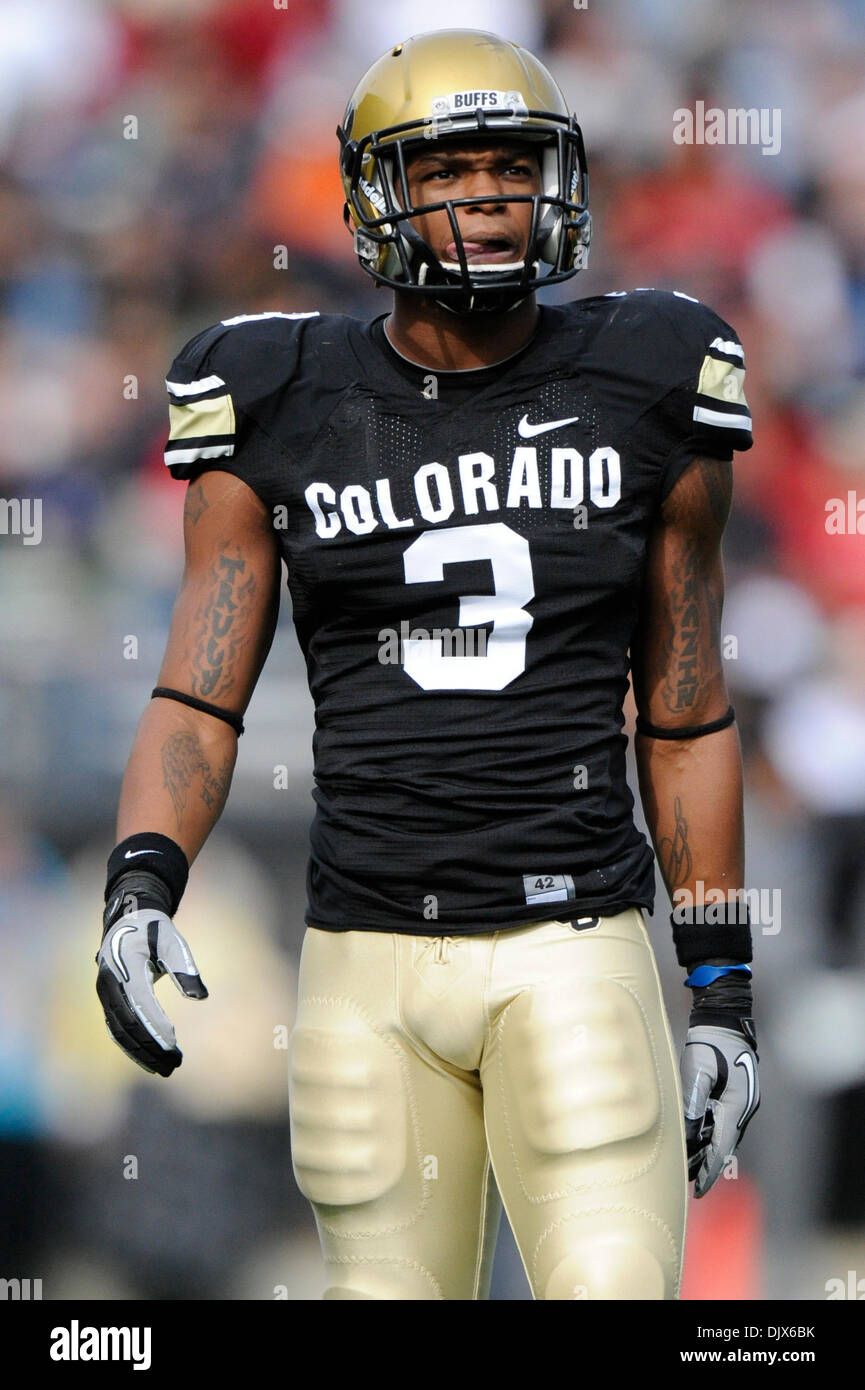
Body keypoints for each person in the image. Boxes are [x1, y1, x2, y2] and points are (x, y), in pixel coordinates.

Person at [95, 28, 760, 1300]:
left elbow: (684, 713)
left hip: (575, 936)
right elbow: (198, 688)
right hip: (364, 958)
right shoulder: (274, 388)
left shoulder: (647, 375)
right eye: (446, 170)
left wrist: (721, 994)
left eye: (510, 167)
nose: (487, 199)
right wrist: (140, 883)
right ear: (374, 196)